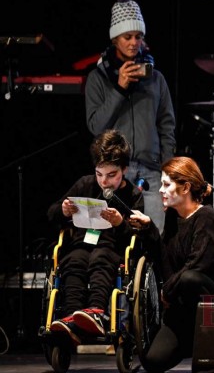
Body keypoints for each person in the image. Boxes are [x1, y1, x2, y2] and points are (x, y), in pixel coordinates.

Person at [129, 156, 214, 372]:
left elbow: (197, 266)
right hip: (184, 310)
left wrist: (167, 292)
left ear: (186, 187)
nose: (161, 190)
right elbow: (167, 265)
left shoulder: (207, 217)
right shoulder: (173, 218)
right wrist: (149, 229)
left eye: (166, 184)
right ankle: (193, 341)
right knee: (153, 362)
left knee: (190, 278)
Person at [85, 0, 176, 234]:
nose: (134, 42)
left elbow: (167, 127)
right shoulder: (98, 79)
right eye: (128, 37)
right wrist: (119, 88)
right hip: (114, 174)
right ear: (115, 39)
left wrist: (167, 170)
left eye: (138, 36)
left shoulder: (156, 79)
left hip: (151, 172)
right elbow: (96, 126)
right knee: (113, 240)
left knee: (155, 238)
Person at [48, 129, 144, 345]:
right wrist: (63, 211)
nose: (104, 181)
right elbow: (51, 213)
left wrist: (120, 223)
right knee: (74, 260)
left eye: (112, 175)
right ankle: (72, 317)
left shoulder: (133, 196)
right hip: (81, 244)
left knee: (100, 258)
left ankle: (96, 312)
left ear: (124, 170)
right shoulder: (85, 184)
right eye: (100, 174)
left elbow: (136, 238)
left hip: (111, 249)